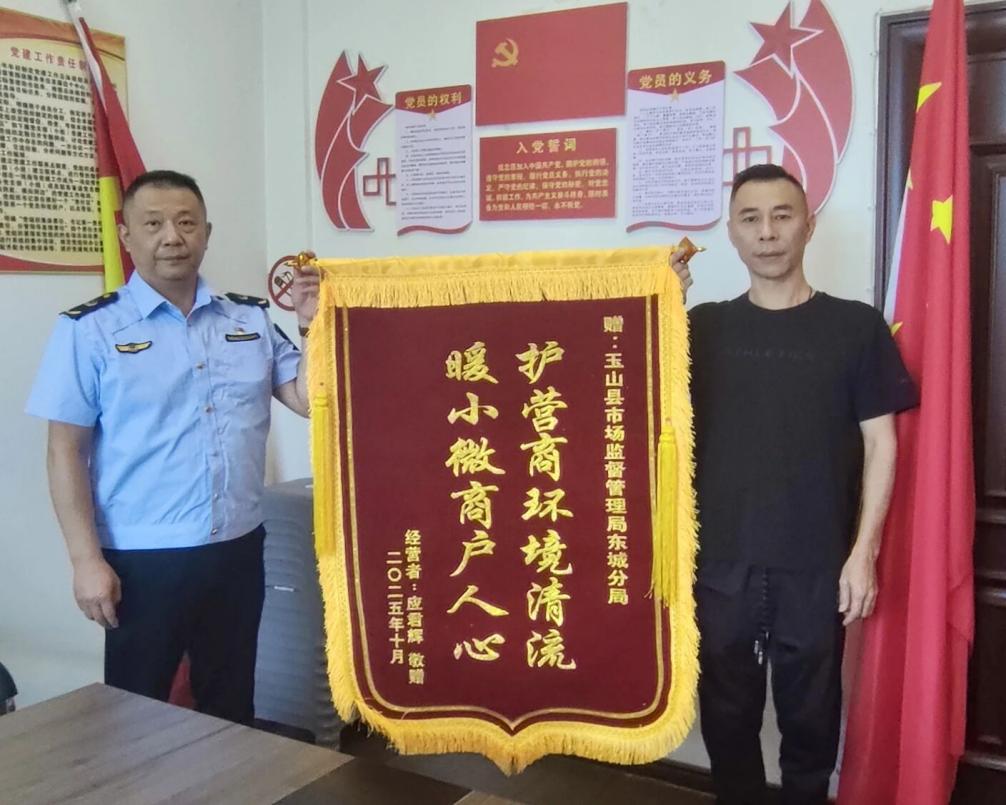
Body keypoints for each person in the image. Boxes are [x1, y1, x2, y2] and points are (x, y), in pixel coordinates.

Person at [26, 170, 319, 724]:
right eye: (154, 224)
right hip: (142, 558)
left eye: (186, 223)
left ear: (206, 232)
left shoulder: (249, 320)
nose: (172, 237)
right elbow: (65, 450)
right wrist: (86, 561)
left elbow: (308, 400)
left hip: (237, 545)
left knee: (231, 706)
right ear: (126, 236)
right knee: (136, 712)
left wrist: (311, 326)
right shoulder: (89, 330)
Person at [672, 164, 918, 805]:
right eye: (750, 219)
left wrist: (863, 553)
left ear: (808, 226)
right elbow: (636, 401)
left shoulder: (856, 327)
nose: (767, 233)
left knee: (811, 724)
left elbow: (882, 443)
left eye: (782, 216)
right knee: (726, 720)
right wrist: (659, 307)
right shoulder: (700, 330)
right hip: (720, 562)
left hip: (817, 563)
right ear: (732, 233)